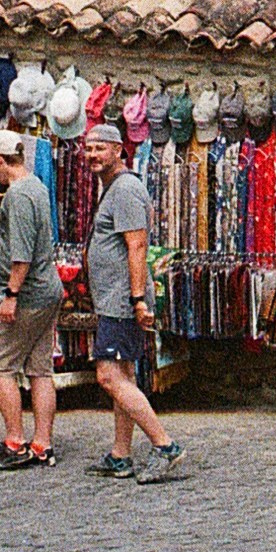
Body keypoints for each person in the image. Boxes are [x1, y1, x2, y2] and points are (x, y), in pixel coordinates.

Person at [83, 120, 184, 482]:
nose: (93, 155)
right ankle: (120, 455)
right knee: (123, 374)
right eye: (89, 148)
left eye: (100, 148)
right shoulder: (112, 188)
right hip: (114, 298)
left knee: (108, 376)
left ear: (117, 151)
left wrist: (138, 299)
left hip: (122, 300)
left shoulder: (124, 189)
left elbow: (137, 245)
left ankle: (164, 446)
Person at [0, 126, 61, 472]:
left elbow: (22, 255)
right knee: (40, 368)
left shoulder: (17, 196)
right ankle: (42, 443)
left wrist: (11, 295)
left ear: (0, 158)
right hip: (48, 288)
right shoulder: (37, 187)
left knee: (0, 364)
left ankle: (15, 441)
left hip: (29, 294)